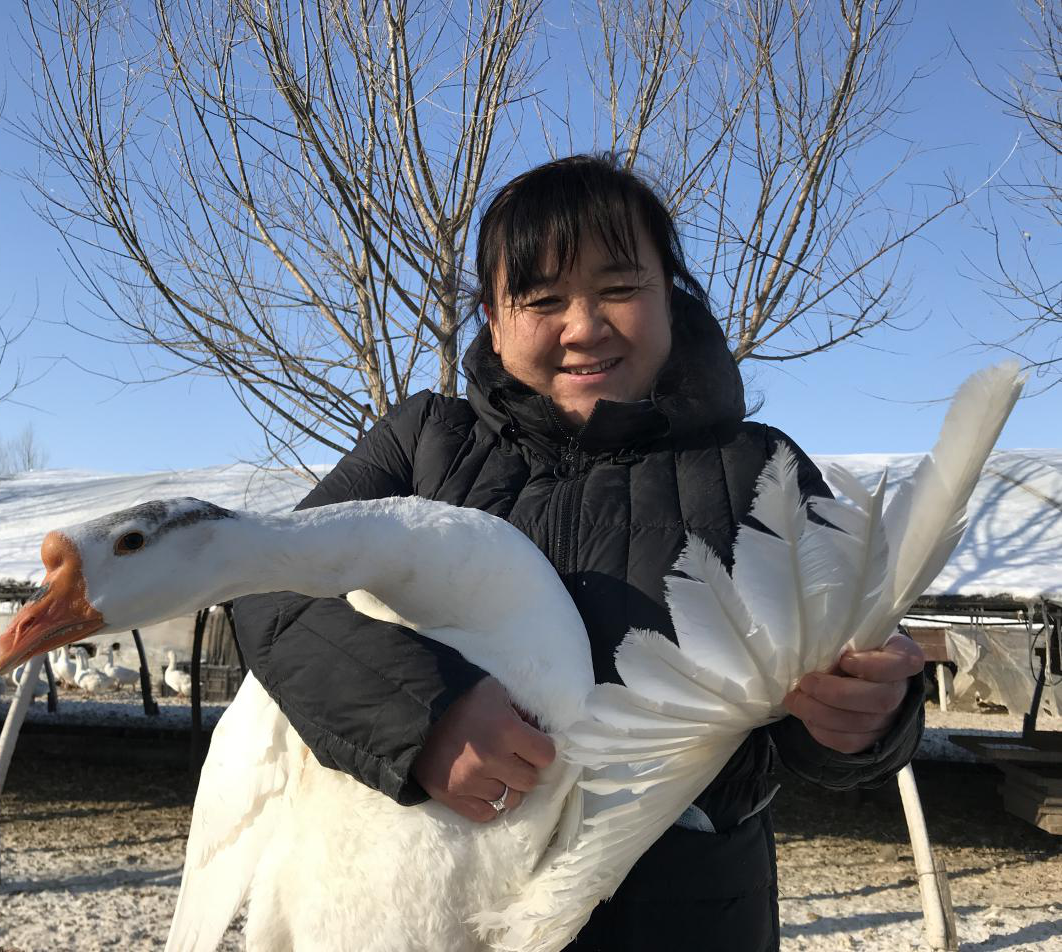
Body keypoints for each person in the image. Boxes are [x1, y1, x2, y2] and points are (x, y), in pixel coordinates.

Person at [231, 154, 925, 951]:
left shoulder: (756, 470)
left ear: (672, 294)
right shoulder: (421, 444)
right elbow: (263, 580)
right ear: (492, 319)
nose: (584, 325)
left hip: (683, 915)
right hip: (431, 903)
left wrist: (868, 714)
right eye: (541, 299)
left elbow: (843, 692)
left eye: (620, 288)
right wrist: (420, 713)